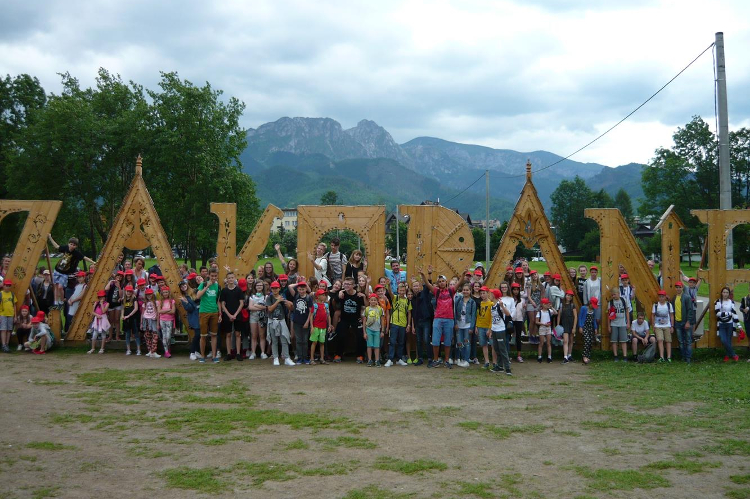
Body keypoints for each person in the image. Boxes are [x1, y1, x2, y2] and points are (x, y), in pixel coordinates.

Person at [419, 265, 464, 369]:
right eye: (439, 281)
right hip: (438, 318)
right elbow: (427, 284)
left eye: (442, 281)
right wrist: (423, 275)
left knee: (448, 341)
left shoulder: (451, 291)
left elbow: (459, 283)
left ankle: (447, 360)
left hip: (449, 319)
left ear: (446, 282)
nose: (441, 283)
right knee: (435, 340)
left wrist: (463, 274)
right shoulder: (436, 291)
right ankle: (435, 360)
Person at [47, 234, 96, 307]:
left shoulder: (76, 253)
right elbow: (57, 246)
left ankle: (62, 299)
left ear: (76, 246)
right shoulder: (65, 248)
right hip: (58, 269)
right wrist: (50, 237)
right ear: (68, 244)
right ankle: (56, 301)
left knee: (60, 287)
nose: (72, 246)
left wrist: (93, 262)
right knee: (56, 286)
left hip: (65, 273)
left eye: (74, 245)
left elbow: (84, 257)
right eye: (71, 244)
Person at [333, 277, 365, 362]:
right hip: (344, 319)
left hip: (356, 319)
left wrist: (364, 297)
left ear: (354, 285)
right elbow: (334, 301)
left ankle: (360, 355)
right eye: (345, 284)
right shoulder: (342, 294)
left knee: (360, 335)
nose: (346, 286)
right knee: (340, 334)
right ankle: (338, 354)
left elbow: (365, 306)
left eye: (348, 284)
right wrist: (337, 310)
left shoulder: (358, 295)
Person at [266, 281, 295, 366]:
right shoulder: (269, 298)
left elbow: (290, 308)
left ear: (279, 289)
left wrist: (289, 304)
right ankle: (275, 357)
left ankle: (286, 357)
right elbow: (270, 309)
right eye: (273, 288)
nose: (275, 290)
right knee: (274, 340)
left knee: (284, 339)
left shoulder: (282, 297)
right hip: (272, 321)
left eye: (276, 288)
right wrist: (277, 301)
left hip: (282, 321)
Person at [197, 268, 221, 363]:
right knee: (203, 335)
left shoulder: (218, 286)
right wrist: (206, 287)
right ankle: (202, 356)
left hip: (214, 312)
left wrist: (220, 313)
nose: (214, 278)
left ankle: (214, 356)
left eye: (215, 276)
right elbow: (198, 296)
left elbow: (218, 301)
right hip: (204, 312)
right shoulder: (203, 284)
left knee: (214, 335)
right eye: (212, 276)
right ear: (208, 276)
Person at [219, 272, 244, 362]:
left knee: (237, 334)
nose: (230, 279)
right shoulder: (224, 291)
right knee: (228, 334)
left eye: (232, 278)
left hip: (237, 314)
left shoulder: (238, 290)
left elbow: (241, 303)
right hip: (227, 315)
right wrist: (229, 315)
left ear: (234, 278)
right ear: (227, 279)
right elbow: (222, 304)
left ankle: (237, 353)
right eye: (229, 278)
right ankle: (228, 353)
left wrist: (235, 315)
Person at [385, 282, 411, 367]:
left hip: (403, 324)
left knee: (401, 342)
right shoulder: (395, 298)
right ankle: (390, 359)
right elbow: (390, 293)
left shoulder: (407, 300)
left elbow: (409, 313)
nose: (402, 292)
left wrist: (408, 324)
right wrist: (388, 285)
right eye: (400, 290)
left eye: (403, 290)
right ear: (398, 290)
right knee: (392, 341)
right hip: (394, 323)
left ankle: (399, 359)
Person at [288, 280, 313, 365]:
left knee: (305, 340)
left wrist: (307, 322)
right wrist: (298, 283)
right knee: (298, 340)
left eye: (303, 289)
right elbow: (290, 286)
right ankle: (299, 357)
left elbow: (310, 311)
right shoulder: (296, 296)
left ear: (306, 289)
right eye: (300, 289)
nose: (301, 291)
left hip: (305, 321)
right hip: (297, 321)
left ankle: (305, 357)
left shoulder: (309, 298)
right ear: (297, 289)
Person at [488, 288, 512, 375]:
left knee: (502, 349)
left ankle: (507, 368)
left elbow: (508, 314)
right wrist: (490, 330)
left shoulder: (500, 304)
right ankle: (500, 366)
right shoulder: (492, 305)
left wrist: (502, 306)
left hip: (500, 329)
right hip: (494, 329)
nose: (489, 295)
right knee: (497, 348)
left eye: (490, 294)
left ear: (494, 295)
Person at [452, 283, 476, 368]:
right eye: (464, 290)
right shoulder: (459, 300)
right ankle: (462, 358)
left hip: (467, 325)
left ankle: (466, 360)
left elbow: (473, 316)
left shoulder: (472, 302)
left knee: (467, 343)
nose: (465, 291)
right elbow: (455, 312)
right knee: (459, 343)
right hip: (459, 324)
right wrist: (455, 323)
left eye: (467, 290)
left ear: (470, 291)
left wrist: (472, 327)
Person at [672, 281, 696, 364]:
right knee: (681, 341)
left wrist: (688, 322)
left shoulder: (687, 297)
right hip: (677, 322)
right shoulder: (674, 298)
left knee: (688, 341)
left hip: (685, 322)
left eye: (680, 287)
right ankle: (683, 356)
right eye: (677, 287)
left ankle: (688, 357)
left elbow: (690, 310)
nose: (678, 289)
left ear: (682, 288)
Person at [715, 286, 740, 362]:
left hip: (730, 324)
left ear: (729, 294)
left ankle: (727, 355)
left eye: (727, 292)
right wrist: (728, 313)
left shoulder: (731, 302)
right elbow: (717, 313)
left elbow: (734, 313)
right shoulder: (718, 302)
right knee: (723, 340)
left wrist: (739, 325)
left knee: (728, 340)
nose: (725, 294)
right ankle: (734, 354)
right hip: (721, 324)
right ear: (722, 293)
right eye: (724, 292)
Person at [607, 287, 630, 362]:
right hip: (614, 323)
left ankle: (625, 356)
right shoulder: (610, 302)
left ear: (618, 294)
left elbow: (627, 312)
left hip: (622, 323)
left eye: (614, 294)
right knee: (614, 341)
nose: (613, 296)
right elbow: (609, 315)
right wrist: (609, 325)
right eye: (612, 295)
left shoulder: (623, 300)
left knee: (623, 341)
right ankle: (615, 356)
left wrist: (628, 322)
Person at [247, 279, 268, 360]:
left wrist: (256, 305)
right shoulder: (252, 296)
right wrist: (259, 306)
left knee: (262, 335)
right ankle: (253, 352)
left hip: (262, 318)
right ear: (255, 287)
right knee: (254, 335)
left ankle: (263, 352)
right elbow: (250, 307)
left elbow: (265, 307)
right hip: (253, 317)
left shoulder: (266, 296)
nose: (259, 287)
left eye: (260, 285)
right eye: (257, 285)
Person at [652, 290, 675, 362]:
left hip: (667, 325)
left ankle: (668, 357)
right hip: (658, 325)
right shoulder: (655, 305)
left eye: (663, 297)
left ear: (665, 297)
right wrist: (653, 326)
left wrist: (672, 326)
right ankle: (661, 356)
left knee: (668, 341)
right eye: (660, 297)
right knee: (660, 340)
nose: (661, 298)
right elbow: (652, 315)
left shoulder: (669, 305)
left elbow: (671, 315)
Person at [310, 289, 331, 365]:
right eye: (322, 295)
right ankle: (312, 359)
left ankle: (322, 358)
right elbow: (311, 316)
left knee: (322, 342)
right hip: (316, 326)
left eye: (324, 295)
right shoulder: (315, 306)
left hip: (323, 327)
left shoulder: (326, 305)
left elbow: (328, 315)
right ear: (317, 297)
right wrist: (312, 326)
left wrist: (329, 325)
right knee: (314, 342)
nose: (324, 296)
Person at [364, 293, 385, 367]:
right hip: (369, 329)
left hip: (377, 330)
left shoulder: (380, 309)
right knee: (369, 346)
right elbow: (364, 321)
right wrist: (364, 332)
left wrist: (382, 331)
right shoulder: (367, 309)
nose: (373, 301)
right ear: (369, 301)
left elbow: (382, 320)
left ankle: (377, 360)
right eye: (371, 300)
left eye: (374, 300)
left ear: (377, 301)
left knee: (377, 346)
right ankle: (370, 360)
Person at [475, 286, 493, 368]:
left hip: (488, 326)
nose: (482, 295)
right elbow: (478, 316)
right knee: (483, 344)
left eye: (484, 293)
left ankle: (495, 361)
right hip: (480, 326)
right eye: (481, 293)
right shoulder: (480, 304)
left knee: (492, 344)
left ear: (488, 293)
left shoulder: (491, 304)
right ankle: (486, 361)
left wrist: (490, 328)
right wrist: (476, 326)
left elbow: (492, 317)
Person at [88, 290, 110, 355]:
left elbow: (103, 311)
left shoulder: (107, 303)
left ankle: (102, 348)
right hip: (97, 319)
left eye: (103, 297)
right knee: (94, 334)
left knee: (103, 334)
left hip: (103, 319)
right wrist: (96, 315)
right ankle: (93, 348)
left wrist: (101, 304)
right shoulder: (95, 303)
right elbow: (92, 312)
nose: (101, 298)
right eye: (100, 297)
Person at [558, 289, 577, 363]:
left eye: (571, 296)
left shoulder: (573, 305)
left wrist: (574, 327)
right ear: (565, 295)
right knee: (565, 340)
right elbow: (559, 316)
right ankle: (565, 357)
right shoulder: (562, 305)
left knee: (571, 340)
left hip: (571, 324)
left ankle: (569, 355)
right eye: (568, 295)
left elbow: (575, 316)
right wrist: (558, 325)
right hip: (564, 324)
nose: (569, 297)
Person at [578, 297, 599, 365]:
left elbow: (594, 320)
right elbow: (580, 318)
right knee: (587, 340)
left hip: (591, 327)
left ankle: (588, 356)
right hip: (585, 326)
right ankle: (584, 356)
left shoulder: (593, 310)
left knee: (590, 341)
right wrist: (580, 326)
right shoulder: (584, 308)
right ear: (590, 303)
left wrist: (595, 328)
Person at [122, 284, 141, 356]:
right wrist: (122, 316)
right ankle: (128, 349)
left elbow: (136, 308)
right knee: (127, 334)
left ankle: (138, 349)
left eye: (130, 291)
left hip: (133, 318)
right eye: (127, 291)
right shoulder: (124, 299)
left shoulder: (134, 298)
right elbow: (123, 309)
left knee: (136, 334)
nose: (128, 293)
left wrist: (129, 315)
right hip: (126, 319)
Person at [105, 271, 124, 340]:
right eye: (118, 276)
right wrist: (110, 282)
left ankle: (117, 336)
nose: (119, 278)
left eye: (120, 277)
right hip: (110, 304)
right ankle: (110, 336)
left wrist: (119, 287)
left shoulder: (122, 285)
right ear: (115, 276)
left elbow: (121, 295)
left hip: (117, 305)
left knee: (117, 319)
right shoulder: (112, 283)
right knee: (111, 320)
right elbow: (106, 289)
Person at [141, 289, 160, 358]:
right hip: (146, 319)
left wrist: (158, 323)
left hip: (153, 320)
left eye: (150, 294)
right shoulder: (144, 303)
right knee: (147, 335)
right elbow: (142, 313)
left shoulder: (156, 302)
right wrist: (141, 323)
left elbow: (158, 313)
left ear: (153, 294)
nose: (149, 295)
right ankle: (150, 350)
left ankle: (153, 351)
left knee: (155, 335)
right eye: (147, 294)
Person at [158, 286, 176, 358]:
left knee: (168, 336)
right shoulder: (160, 302)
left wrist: (164, 311)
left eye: (166, 292)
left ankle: (168, 348)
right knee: (164, 336)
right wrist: (168, 310)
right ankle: (166, 351)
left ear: (169, 293)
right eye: (164, 292)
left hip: (169, 320)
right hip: (162, 320)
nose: (165, 294)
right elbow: (159, 311)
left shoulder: (172, 301)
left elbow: (173, 311)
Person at [536, 298, 554, 363]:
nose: (548, 305)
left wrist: (552, 307)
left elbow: (555, 313)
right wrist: (543, 324)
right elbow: (537, 321)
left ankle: (549, 356)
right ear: (543, 304)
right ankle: (539, 356)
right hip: (542, 327)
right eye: (546, 304)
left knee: (548, 343)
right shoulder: (539, 312)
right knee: (541, 342)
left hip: (548, 327)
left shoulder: (549, 311)